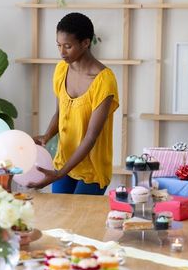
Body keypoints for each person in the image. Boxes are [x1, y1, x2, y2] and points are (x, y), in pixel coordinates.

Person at [27, 12, 119, 195]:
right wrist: (47, 136)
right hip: (63, 162)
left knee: (80, 222)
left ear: (86, 42)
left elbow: (91, 136)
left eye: (68, 46)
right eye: (59, 45)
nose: (62, 52)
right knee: (60, 220)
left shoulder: (104, 81)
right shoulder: (61, 70)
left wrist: (59, 173)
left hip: (92, 169)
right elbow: (60, 113)